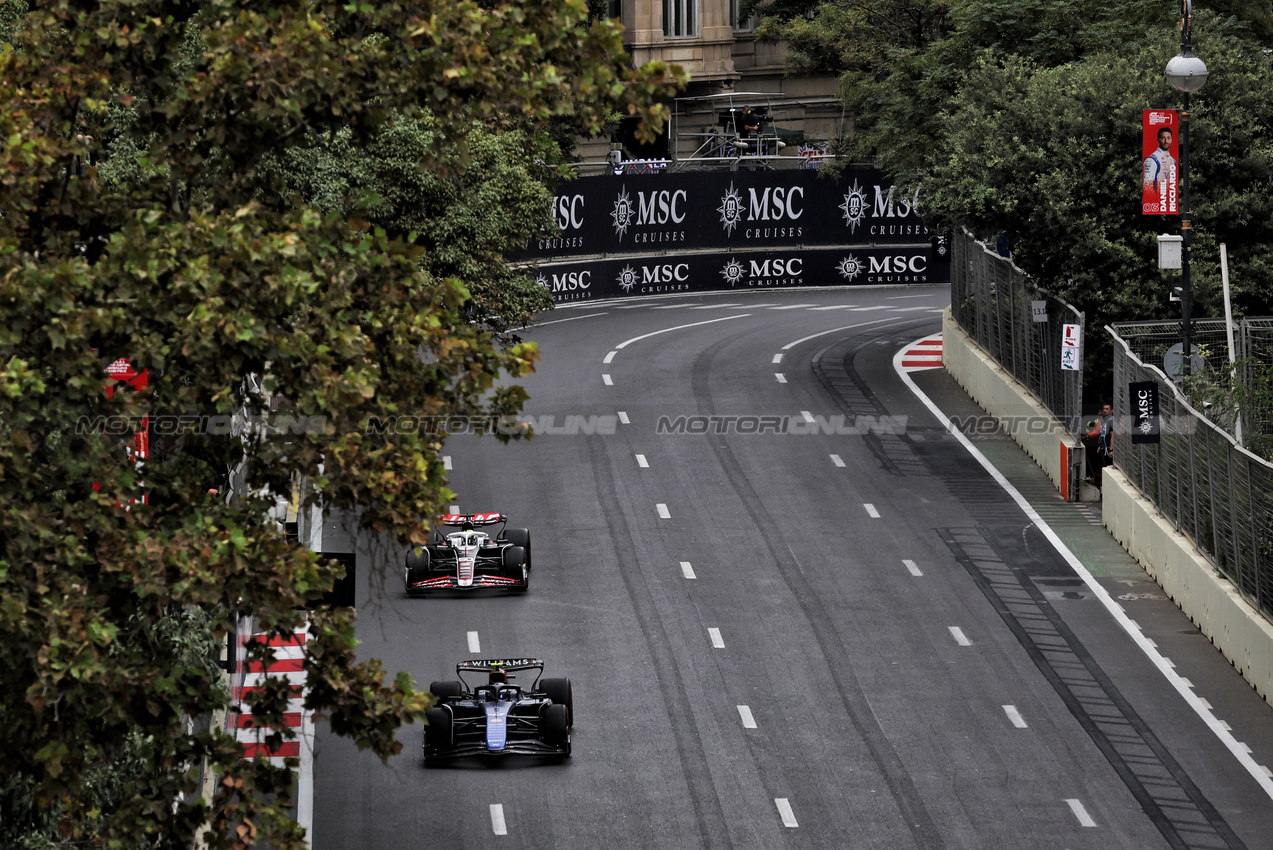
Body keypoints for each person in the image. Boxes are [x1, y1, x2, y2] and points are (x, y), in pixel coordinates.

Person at [1086, 403, 1114, 487]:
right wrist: (1100, 446)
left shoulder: (1112, 420)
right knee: (1103, 465)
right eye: (1104, 409)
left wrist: (1111, 449)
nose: (1105, 411)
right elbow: (1103, 434)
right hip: (1103, 447)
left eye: (1107, 409)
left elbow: (1112, 436)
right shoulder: (1105, 420)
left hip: (1108, 448)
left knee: (1109, 466)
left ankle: (1109, 485)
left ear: (1112, 411)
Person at [1143, 127, 1176, 196]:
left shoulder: (1172, 160)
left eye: (1168, 138)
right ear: (1158, 139)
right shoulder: (1152, 159)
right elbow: (1147, 187)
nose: (1166, 141)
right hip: (1158, 202)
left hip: (1169, 202)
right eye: (1163, 138)